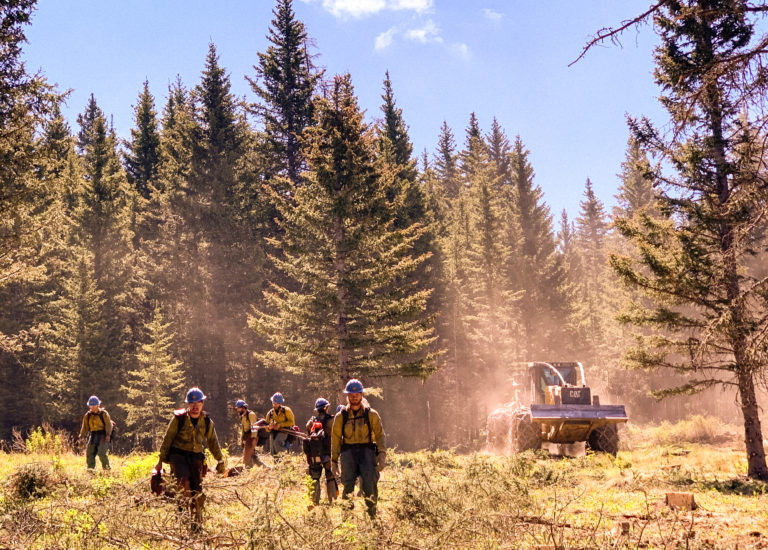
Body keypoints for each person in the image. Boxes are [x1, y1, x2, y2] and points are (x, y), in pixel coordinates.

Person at [154, 387, 226, 530]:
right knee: (184, 486)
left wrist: (220, 460)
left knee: (197, 491)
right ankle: (183, 518)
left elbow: (213, 441)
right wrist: (160, 461)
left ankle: (196, 523)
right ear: (188, 404)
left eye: (198, 403)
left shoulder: (207, 422)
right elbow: (168, 438)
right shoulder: (178, 419)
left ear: (202, 404)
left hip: (196, 458)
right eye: (192, 403)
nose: (195, 407)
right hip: (178, 457)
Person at [331, 379, 386, 518]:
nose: (354, 397)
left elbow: (380, 435)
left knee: (369, 486)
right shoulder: (341, 416)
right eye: (351, 394)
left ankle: (372, 518)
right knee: (348, 488)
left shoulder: (371, 414)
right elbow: (336, 439)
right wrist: (334, 461)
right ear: (347, 396)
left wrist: (381, 455)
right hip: (348, 454)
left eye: (357, 394)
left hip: (367, 453)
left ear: (361, 395)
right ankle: (347, 520)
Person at [303, 397, 337, 505]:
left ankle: (314, 501)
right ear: (326, 408)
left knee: (315, 477)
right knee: (330, 476)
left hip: (314, 455)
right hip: (328, 454)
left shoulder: (311, 422)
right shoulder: (332, 420)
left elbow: (307, 432)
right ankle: (332, 500)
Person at [79, 395, 112, 471]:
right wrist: (81, 435)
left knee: (101, 453)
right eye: (91, 405)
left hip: (103, 435)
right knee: (90, 453)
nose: (92, 407)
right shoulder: (87, 415)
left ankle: (107, 470)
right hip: (93, 435)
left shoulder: (104, 414)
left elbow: (108, 425)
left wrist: (108, 435)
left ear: (98, 405)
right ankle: (91, 470)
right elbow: (84, 427)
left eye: (94, 405)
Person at [235, 399, 265, 468]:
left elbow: (254, 427)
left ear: (243, 408)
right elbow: (243, 429)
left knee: (247, 454)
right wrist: (242, 440)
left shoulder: (251, 415)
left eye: (238, 408)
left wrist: (254, 439)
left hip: (252, 436)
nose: (237, 410)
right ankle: (264, 467)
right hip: (247, 437)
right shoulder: (243, 416)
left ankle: (248, 468)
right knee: (253, 455)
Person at [265, 392, 295, 460]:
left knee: (277, 443)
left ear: (280, 403)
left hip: (284, 431)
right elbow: (266, 426)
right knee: (273, 451)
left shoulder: (286, 411)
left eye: (276, 403)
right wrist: (269, 428)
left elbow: (292, 422)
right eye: (273, 403)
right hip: (273, 432)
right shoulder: (270, 413)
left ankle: (285, 460)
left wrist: (280, 425)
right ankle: (277, 464)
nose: (274, 404)